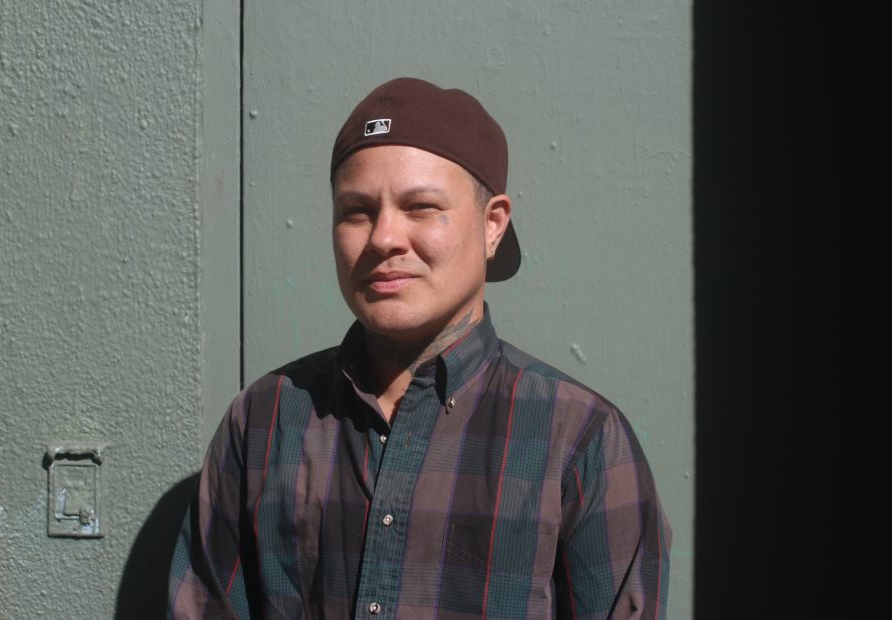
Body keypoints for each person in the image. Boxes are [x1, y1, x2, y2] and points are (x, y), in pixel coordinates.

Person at [169, 77, 670, 619]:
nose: (384, 237)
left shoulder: (578, 439)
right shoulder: (264, 421)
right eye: (357, 210)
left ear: (492, 225)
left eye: (421, 207)